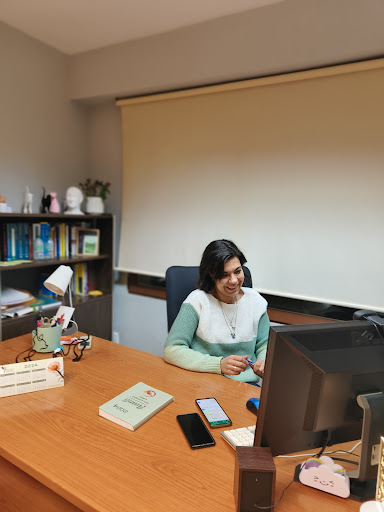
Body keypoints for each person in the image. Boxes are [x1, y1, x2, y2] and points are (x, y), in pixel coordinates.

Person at [163, 240, 270, 384]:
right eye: (225, 275)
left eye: (237, 271)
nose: (233, 281)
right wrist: (218, 365)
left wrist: (263, 360)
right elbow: (172, 349)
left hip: (245, 385)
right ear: (211, 275)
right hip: (204, 381)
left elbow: (265, 343)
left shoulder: (256, 302)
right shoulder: (198, 301)